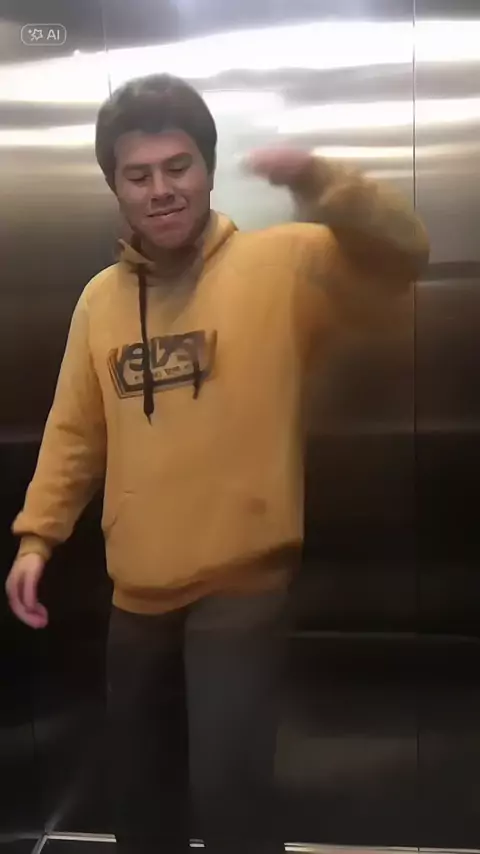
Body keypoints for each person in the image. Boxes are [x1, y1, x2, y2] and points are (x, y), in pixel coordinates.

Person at [5, 74, 429, 854]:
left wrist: (320, 180)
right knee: (141, 803)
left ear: (206, 168)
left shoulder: (285, 264)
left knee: (232, 799)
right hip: (137, 592)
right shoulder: (100, 301)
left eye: (179, 166)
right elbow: (76, 432)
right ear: (116, 188)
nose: (161, 189)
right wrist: (38, 538)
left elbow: (403, 253)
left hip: (243, 583)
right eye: (139, 175)